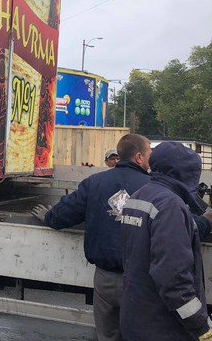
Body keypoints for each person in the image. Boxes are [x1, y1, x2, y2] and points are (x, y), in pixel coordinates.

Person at [32, 133, 153, 341]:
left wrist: (49, 217)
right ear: (139, 157)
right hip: (140, 280)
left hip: (105, 280)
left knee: (107, 335)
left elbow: (66, 213)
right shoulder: (153, 187)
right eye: (150, 153)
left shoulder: (95, 182)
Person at [119, 141, 212, 341]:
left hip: (136, 315)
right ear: (187, 174)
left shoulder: (138, 196)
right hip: (162, 326)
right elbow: (173, 279)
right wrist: (200, 327)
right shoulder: (170, 205)